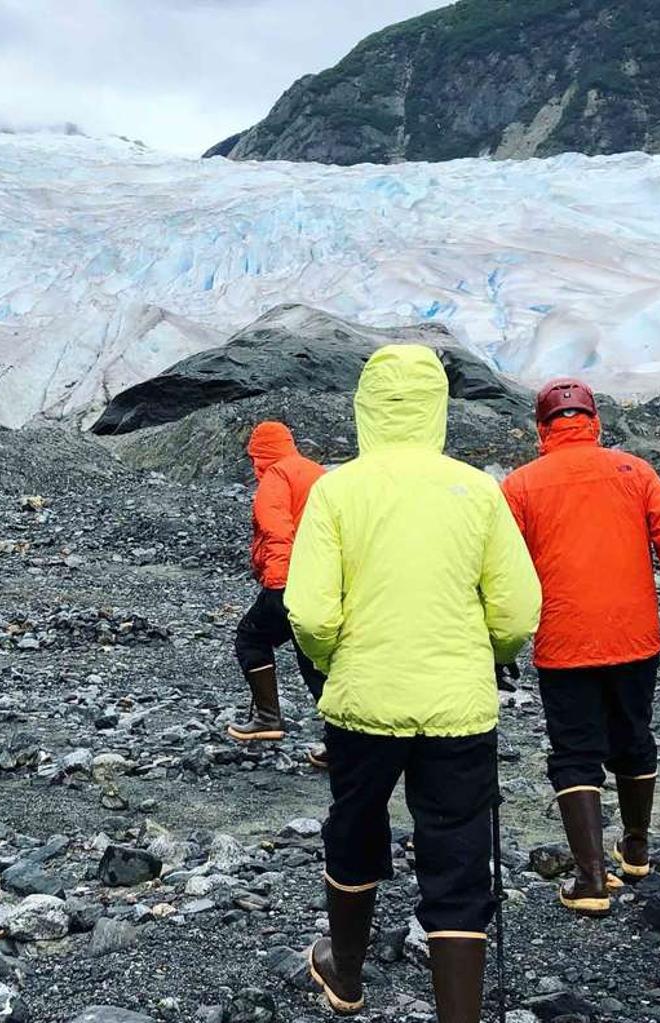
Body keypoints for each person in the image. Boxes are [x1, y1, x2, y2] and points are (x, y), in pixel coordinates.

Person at [285, 345, 542, 1023]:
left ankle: (344, 974)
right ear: (437, 409)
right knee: (457, 854)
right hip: (458, 706)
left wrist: (338, 658)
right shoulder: (478, 490)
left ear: (365, 406)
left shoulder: (335, 490)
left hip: (363, 700)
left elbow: (310, 610)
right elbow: (517, 609)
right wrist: (485, 653)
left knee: (356, 826)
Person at [501, 377, 660, 916]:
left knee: (575, 752)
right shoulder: (634, 471)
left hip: (564, 643)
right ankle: (635, 848)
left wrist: (500, 638)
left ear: (540, 429)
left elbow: (502, 570)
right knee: (634, 737)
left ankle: (590, 880)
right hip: (635, 637)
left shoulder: (519, 486)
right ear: (595, 422)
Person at [226, 421, 329, 765]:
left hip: (289, 580)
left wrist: (278, 584)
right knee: (314, 657)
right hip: (324, 580)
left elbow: (277, 530)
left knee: (250, 637)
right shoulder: (316, 472)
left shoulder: (277, 476)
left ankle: (268, 718)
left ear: (259, 454)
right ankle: (342, 742)